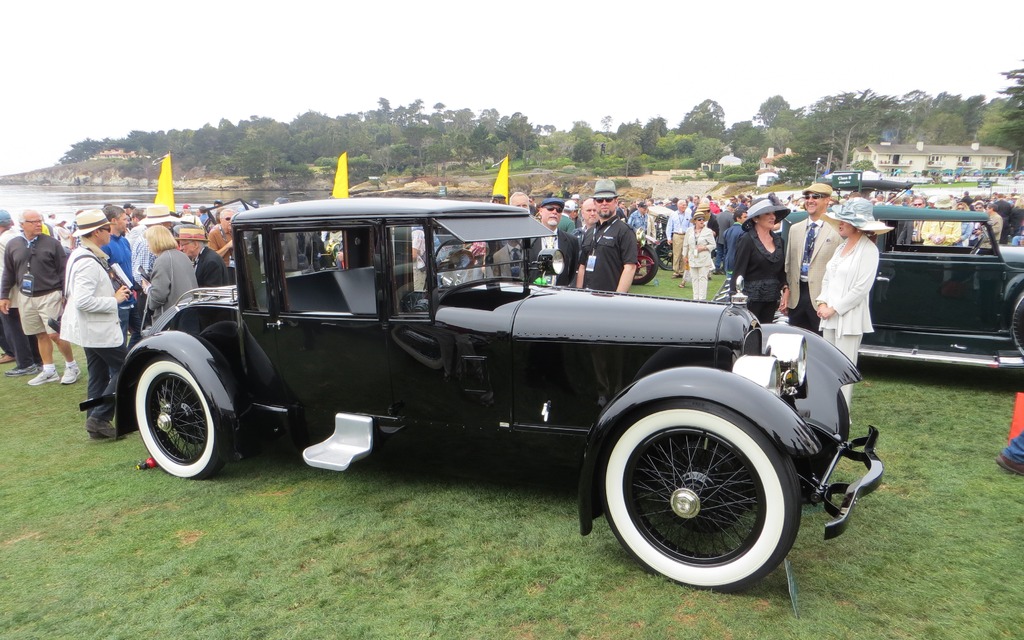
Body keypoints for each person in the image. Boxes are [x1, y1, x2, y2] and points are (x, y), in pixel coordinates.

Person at [60, 210, 132, 439]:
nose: (111, 232)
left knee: (98, 374)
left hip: (90, 328)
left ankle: (96, 422)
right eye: (107, 228)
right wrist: (114, 299)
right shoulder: (87, 262)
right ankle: (99, 418)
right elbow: (83, 301)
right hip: (96, 328)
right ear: (98, 232)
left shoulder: (81, 254)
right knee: (127, 367)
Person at [815, 199, 891, 406]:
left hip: (849, 319)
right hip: (829, 316)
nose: (839, 223)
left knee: (844, 369)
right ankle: (827, 410)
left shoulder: (869, 250)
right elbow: (828, 278)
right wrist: (822, 302)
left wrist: (834, 308)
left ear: (856, 225)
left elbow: (861, 288)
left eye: (844, 220)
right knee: (826, 366)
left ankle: (842, 414)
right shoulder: (841, 248)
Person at [0, 210, 79, 386]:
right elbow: (9, 272)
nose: (38, 224)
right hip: (26, 296)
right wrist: (4, 296)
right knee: (39, 334)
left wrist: (64, 294)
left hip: (50, 294)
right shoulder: (14, 244)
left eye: (39, 221)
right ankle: (49, 369)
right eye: (33, 221)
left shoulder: (52, 243)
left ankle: (71, 366)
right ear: (22, 224)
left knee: (55, 334)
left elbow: (62, 270)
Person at [782, 182, 841, 333]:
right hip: (797, 298)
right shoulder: (795, 229)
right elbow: (789, 265)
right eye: (807, 196)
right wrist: (786, 293)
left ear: (828, 200)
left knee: (821, 347)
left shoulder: (838, 230)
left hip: (823, 300)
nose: (810, 200)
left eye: (816, 196)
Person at [730, 197, 790, 324]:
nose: (772, 217)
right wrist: (734, 300)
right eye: (767, 213)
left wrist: (785, 289)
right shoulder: (747, 240)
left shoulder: (779, 241)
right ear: (756, 218)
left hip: (772, 300)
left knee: (766, 334)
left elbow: (780, 272)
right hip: (750, 302)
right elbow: (738, 272)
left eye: (774, 213)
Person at [576, 179, 637, 292]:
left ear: (616, 201)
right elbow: (582, 266)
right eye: (600, 200)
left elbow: (630, 268)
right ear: (595, 203)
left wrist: (618, 298)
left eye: (608, 199)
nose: (604, 203)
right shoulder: (590, 231)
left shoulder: (625, 231)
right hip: (587, 296)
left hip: (610, 298)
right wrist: (579, 292)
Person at [100, 204, 140, 346]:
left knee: (140, 332)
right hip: (118, 298)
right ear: (113, 221)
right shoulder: (105, 245)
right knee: (119, 338)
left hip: (131, 296)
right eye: (124, 219)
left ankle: (129, 359)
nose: (127, 222)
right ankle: (120, 366)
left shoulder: (124, 241)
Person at [143, 225, 198, 325]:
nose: (147, 245)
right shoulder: (182, 255)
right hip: (188, 313)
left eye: (148, 242)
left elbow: (158, 296)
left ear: (155, 241)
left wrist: (148, 289)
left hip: (170, 318)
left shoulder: (163, 260)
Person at [531, 197, 579, 287]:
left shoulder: (572, 241)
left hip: (559, 296)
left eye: (559, 210)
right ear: (541, 211)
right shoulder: (529, 239)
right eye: (550, 208)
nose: (554, 212)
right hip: (534, 295)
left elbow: (571, 272)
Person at [684, 209, 715, 300]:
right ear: (695, 221)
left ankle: (702, 299)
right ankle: (695, 298)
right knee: (694, 278)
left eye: (703, 219)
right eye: (699, 219)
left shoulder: (708, 231)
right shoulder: (689, 231)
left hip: (704, 258)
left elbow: (713, 245)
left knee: (702, 278)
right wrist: (684, 256)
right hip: (693, 257)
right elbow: (685, 244)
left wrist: (704, 248)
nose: (702, 221)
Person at [208, 207, 237, 273]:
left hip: (238, 265)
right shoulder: (214, 233)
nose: (230, 221)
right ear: (221, 220)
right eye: (228, 219)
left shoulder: (237, 230)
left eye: (233, 219)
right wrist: (228, 246)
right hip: (223, 267)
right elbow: (213, 256)